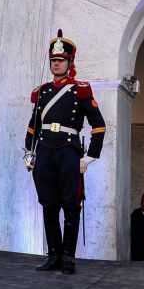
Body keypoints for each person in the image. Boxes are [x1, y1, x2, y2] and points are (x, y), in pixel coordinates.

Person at [25, 30, 106, 275]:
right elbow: (33, 125)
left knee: (71, 205)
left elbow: (98, 124)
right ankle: (53, 255)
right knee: (48, 205)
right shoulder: (42, 92)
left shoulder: (80, 89)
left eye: (61, 59)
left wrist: (90, 156)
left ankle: (69, 256)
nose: (56, 63)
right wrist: (29, 151)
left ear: (70, 62)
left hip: (69, 152)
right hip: (45, 151)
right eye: (53, 60)